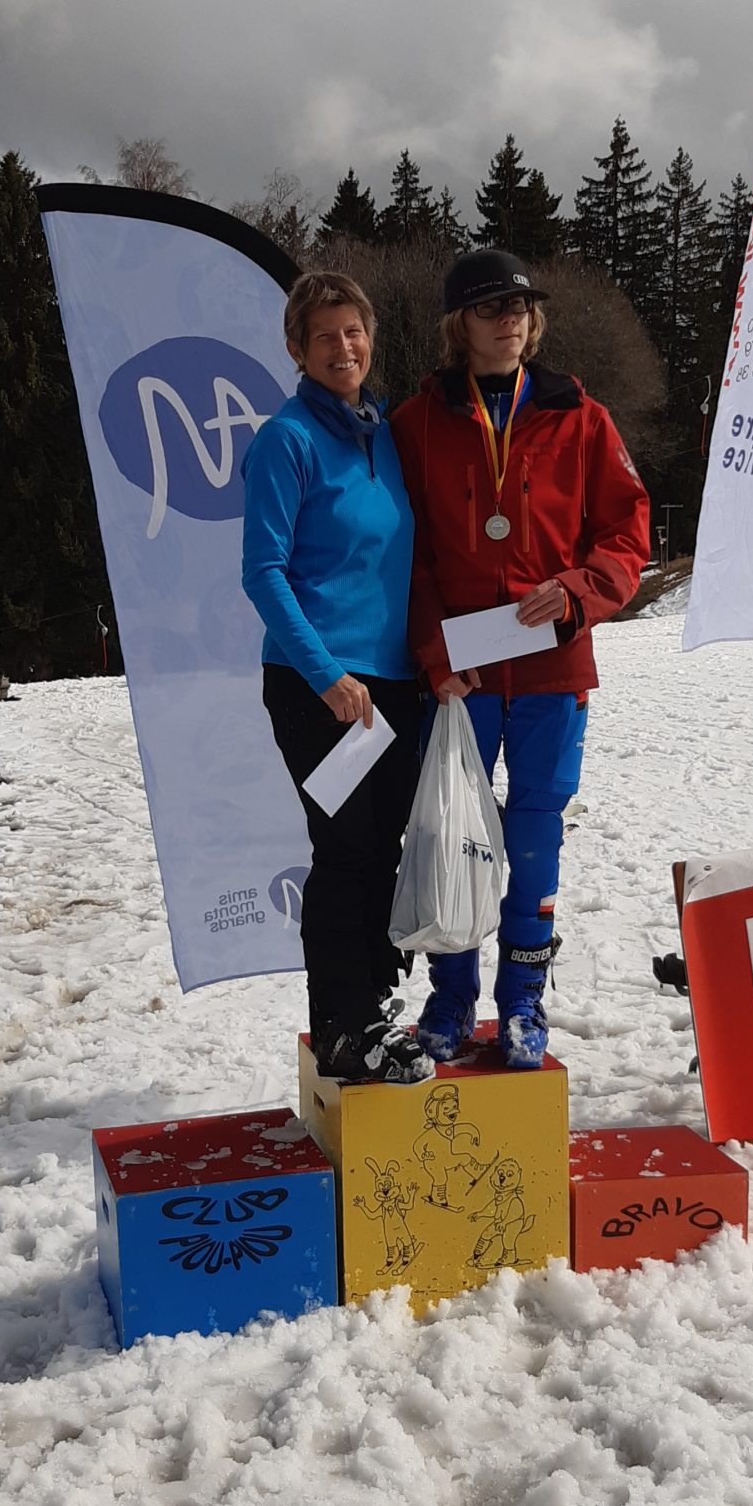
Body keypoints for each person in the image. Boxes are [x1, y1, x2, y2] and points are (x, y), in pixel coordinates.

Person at [391, 248, 650, 1068]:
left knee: (535, 841)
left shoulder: (582, 416)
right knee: (452, 837)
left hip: (552, 670)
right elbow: (405, 554)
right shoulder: (415, 423)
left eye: (521, 307)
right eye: (491, 307)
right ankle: (450, 999)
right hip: (459, 678)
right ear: (458, 325)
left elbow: (628, 533)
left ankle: (524, 1003)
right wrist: (434, 652)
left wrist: (577, 591)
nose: (511, 319)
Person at [242, 271, 432, 1084]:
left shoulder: (382, 434)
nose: (342, 347)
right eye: (324, 336)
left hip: (390, 684)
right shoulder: (285, 441)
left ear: (371, 337)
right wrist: (326, 675)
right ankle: (341, 1027)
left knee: (383, 847)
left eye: (353, 331)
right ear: (297, 349)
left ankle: (372, 1007)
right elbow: (263, 571)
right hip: (319, 687)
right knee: (347, 849)